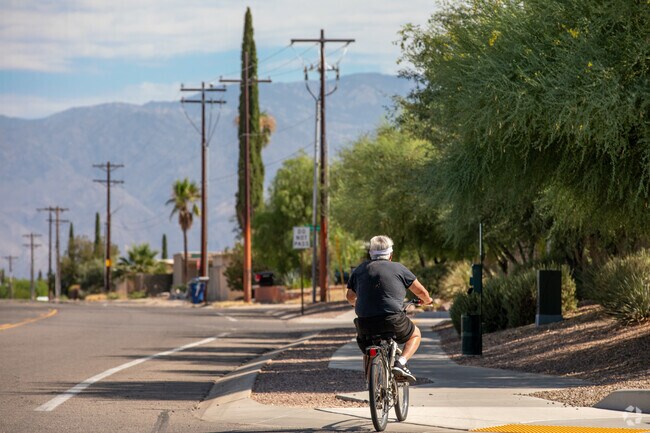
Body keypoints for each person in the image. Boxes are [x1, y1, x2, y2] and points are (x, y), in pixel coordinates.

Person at [346, 235, 433, 382]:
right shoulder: (399, 268)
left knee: (369, 347)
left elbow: (349, 296)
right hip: (392, 320)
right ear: (390, 255)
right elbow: (421, 292)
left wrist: (357, 303)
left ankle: (371, 383)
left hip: (365, 323)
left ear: (370, 254)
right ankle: (401, 363)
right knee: (415, 334)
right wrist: (427, 300)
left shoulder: (359, 270)